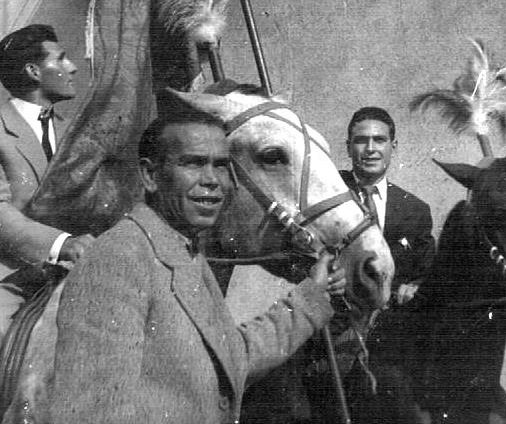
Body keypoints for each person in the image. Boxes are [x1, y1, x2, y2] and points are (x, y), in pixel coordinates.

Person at [51, 100, 346, 424]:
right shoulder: (116, 261)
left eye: (221, 165)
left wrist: (311, 298)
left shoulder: (185, 254)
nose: (213, 180)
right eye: (193, 164)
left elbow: (231, 358)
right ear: (150, 175)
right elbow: (93, 414)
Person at [339, 105, 435, 424]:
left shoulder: (415, 210)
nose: (370, 149)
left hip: (393, 342)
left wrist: (417, 287)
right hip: (333, 333)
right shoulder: (326, 194)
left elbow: (428, 275)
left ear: (393, 147)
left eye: (379, 140)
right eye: (360, 140)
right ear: (348, 146)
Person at [0, 24, 93, 337]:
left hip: (69, 274)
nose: (73, 67)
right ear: (33, 71)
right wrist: (63, 244)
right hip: (8, 280)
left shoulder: (76, 134)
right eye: (62, 59)